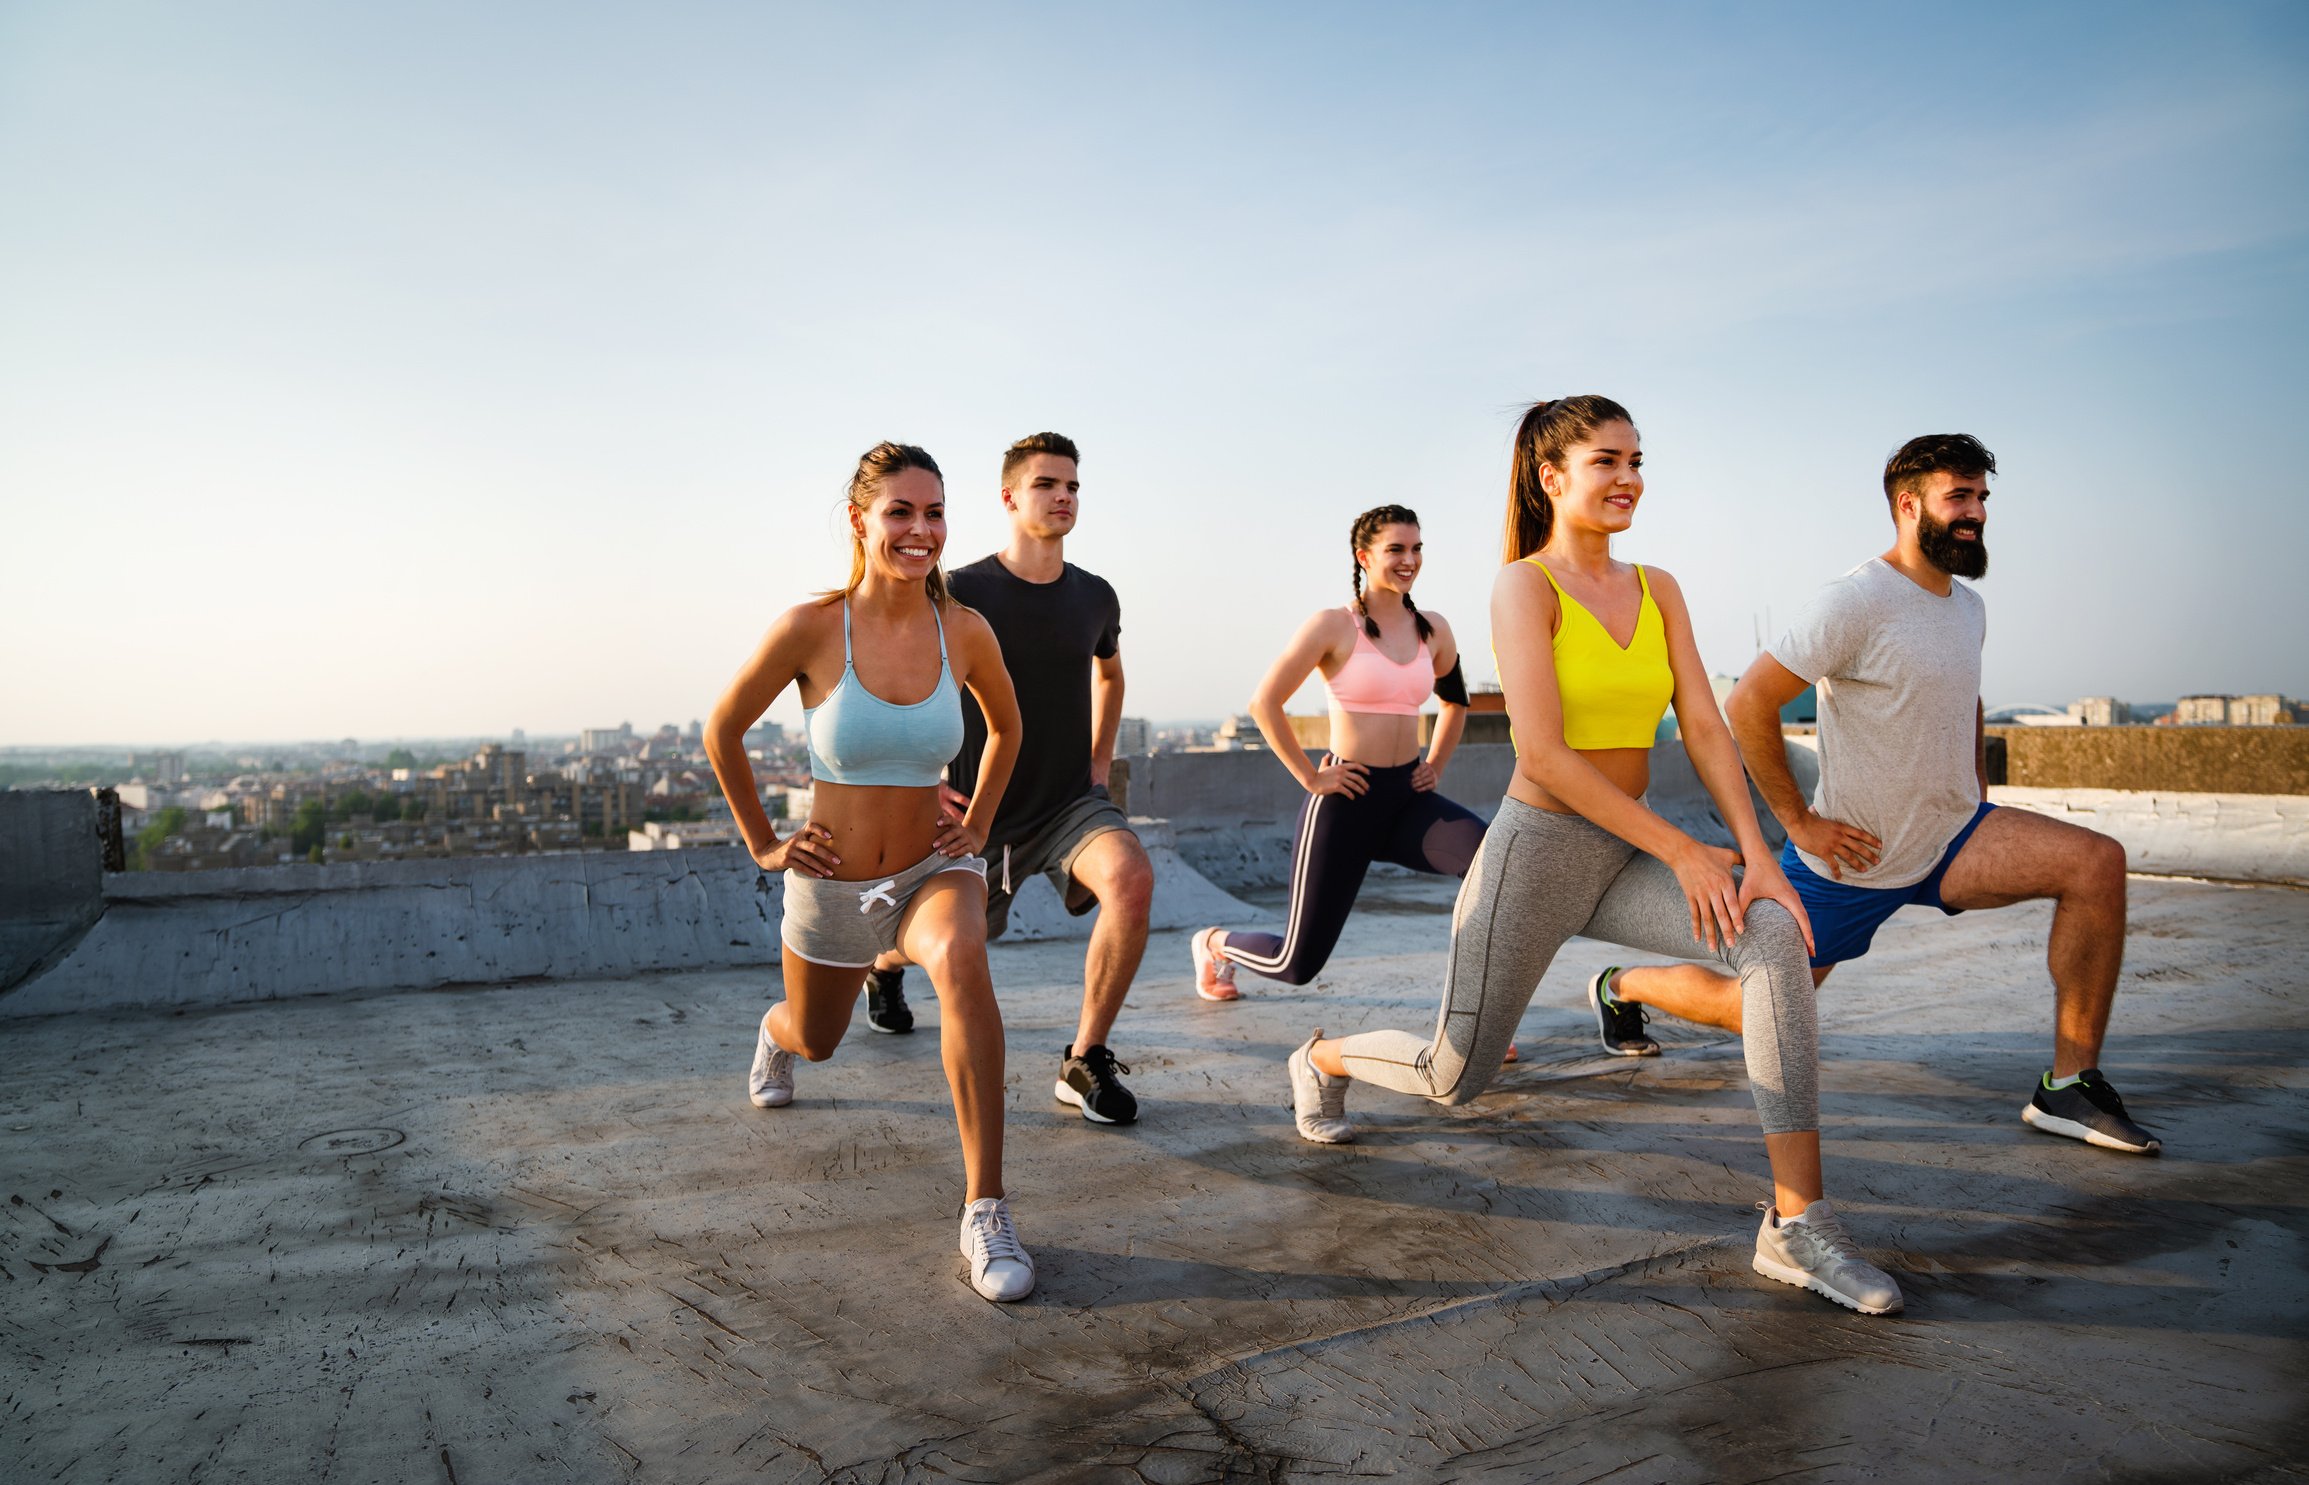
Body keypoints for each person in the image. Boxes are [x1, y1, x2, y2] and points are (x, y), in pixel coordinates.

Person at [1287, 397, 1907, 1316]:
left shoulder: (1659, 586)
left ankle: (1796, 1223)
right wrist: (1686, 852)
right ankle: (1323, 1056)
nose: (1628, 478)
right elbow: (1539, 755)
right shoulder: (1523, 586)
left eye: (1637, 459)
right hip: (1535, 855)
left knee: (1773, 935)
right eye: (1606, 460)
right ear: (1551, 477)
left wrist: (1757, 855)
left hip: (1627, 849)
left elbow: (1701, 723)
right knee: (1455, 1078)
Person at [1596, 433, 2157, 1157]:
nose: (1976, 512)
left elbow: (1967, 696)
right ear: (1907, 502)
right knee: (1743, 1008)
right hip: (1850, 858)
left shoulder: (1966, 607)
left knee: (2095, 863)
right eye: (1958, 496)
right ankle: (1623, 984)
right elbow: (1750, 705)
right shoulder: (1856, 599)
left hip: (1952, 837)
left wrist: (1975, 791)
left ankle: (2068, 1083)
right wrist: (1798, 821)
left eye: (1981, 497)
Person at [704, 441, 1036, 1304]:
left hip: (933, 870)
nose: (920, 530)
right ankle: (775, 1038)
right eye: (901, 511)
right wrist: (763, 843)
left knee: (965, 962)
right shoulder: (812, 628)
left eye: (934, 512)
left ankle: (985, 1208)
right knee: (819, 1036)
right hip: (833, 885)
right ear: (861, 520)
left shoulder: (963, 629)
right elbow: (722, 731)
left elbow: (1008, 729)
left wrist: (981, 822)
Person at [864, 432, 1157, 1126]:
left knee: (1132, 879)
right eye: (1046, 484)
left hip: (1068, 805)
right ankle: (882, 965)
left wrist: (1098, 758)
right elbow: (897, 677)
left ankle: (1084, 1057)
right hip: (978, 811)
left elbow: (1109, 672)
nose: (1062, 496)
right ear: (1008, 497)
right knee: (941, 944)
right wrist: (916, 777)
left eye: (1073, 486)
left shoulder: (1094, 595)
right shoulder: (960, 590)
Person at [1190, 505, 1483, 1002]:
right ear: (1364, 556)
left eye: (1416, 549)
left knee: (1490, 867)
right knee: (1295, 964)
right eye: (1395, 549)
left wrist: (1434, 765)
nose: (1408, 560)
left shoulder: (1433, 630)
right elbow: (1265, 703)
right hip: (1347, 800)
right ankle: (1214, 943)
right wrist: (1311, 778)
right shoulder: (1333, 625)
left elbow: (1455, 703)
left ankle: (1477, 1017)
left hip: (1408, 799)